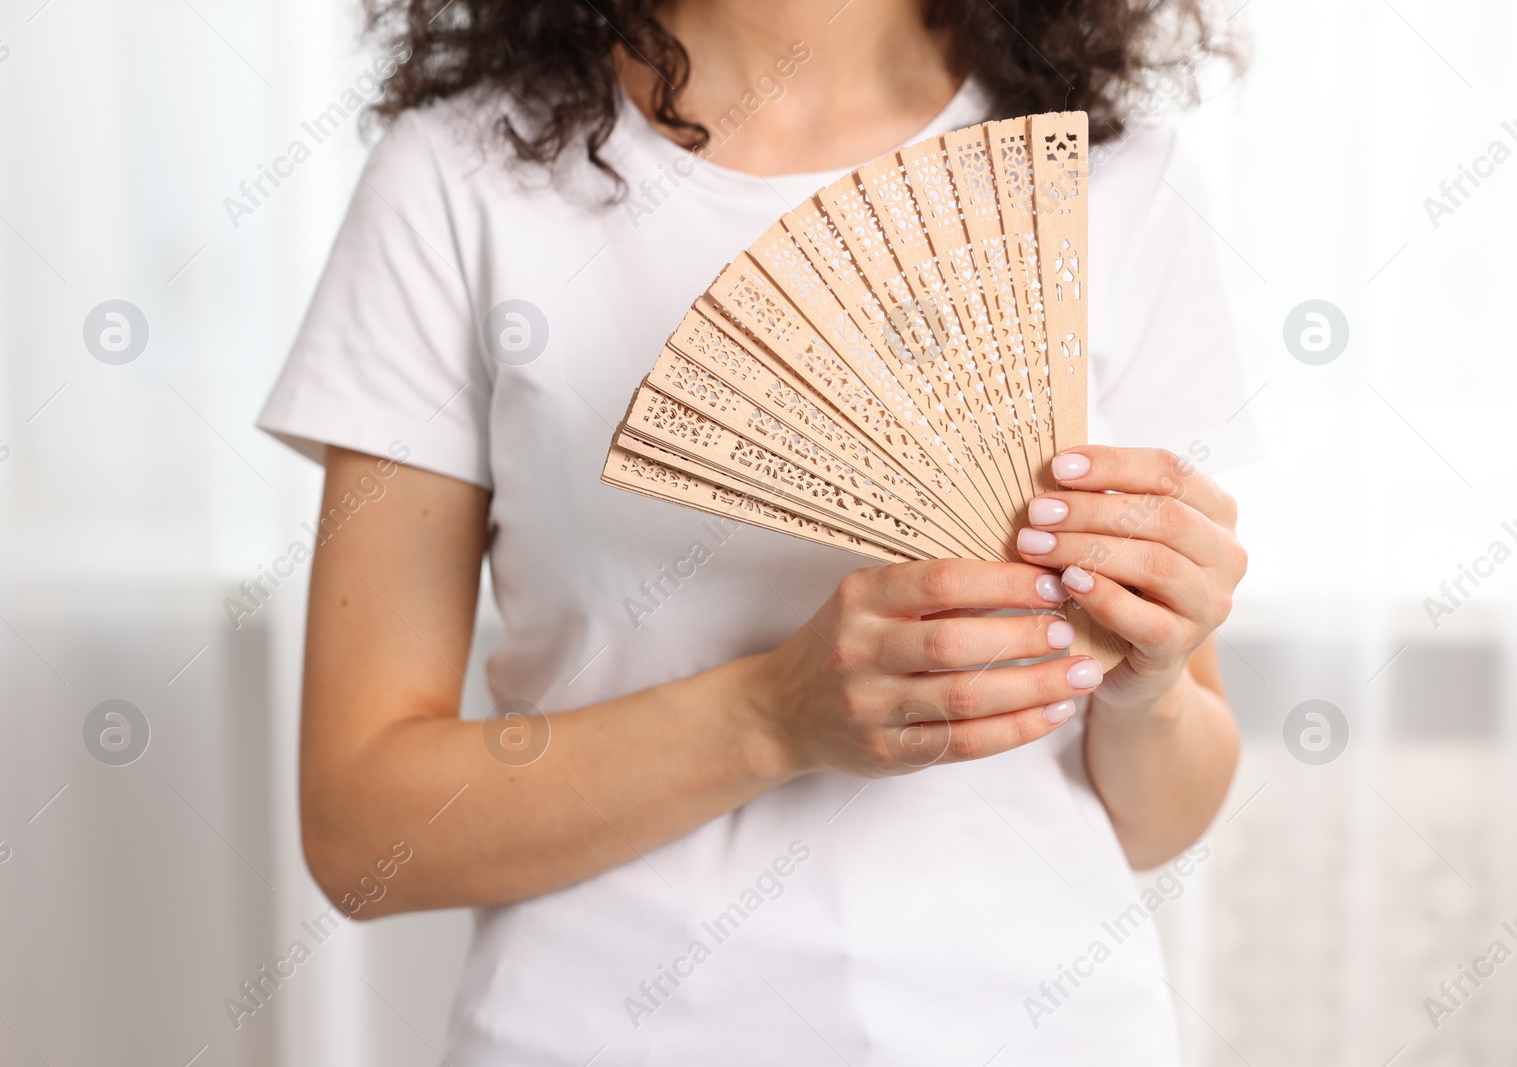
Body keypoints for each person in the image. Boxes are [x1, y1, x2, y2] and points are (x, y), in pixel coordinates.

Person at [257, 1, 1259, 1062]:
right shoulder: (457, 180)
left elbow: (1157, 820)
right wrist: (773, 716)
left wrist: (1149, 682)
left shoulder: (1110, 172)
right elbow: (362, 826)